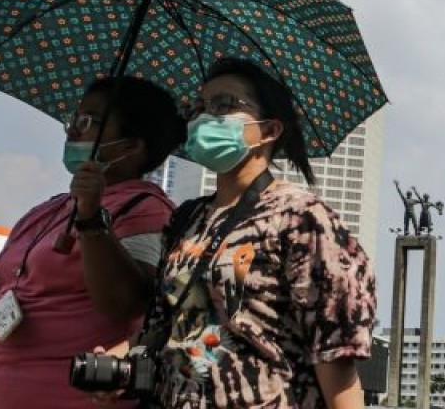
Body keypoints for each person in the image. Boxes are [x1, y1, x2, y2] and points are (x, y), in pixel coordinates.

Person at [106, 57, 377, 409]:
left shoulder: (301, 217)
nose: (204, 117)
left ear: (269, 131)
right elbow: (165, 326)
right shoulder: (186, 218)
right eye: (199, 106)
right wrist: (119, 363)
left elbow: (335, 356)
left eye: (224, 105)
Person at [0, 75, 185, 409]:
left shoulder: (146, 209)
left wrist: (91, 219)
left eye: (88, 122)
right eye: (73, 119)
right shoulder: (45, 211)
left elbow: (125, 303)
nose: (72, 131)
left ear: (130, 147)